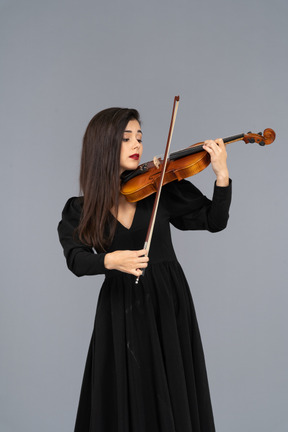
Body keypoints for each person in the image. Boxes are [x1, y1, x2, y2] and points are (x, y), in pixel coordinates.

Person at [57, 107, 231, 432]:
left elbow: (214, 220)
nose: (137, 144)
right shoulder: (81, 208)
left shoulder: (160, 189)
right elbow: (76, 259)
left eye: (139, 136)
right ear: (104, 145)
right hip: (119, 307)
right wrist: (111, 260)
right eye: (126, 138)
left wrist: (221, 175)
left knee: (171, 393)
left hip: (167, 301)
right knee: (124, 394)